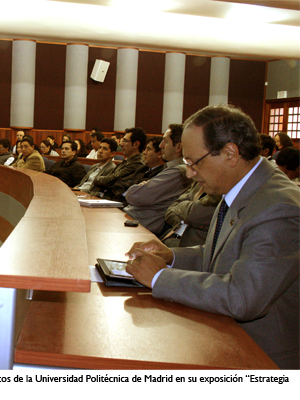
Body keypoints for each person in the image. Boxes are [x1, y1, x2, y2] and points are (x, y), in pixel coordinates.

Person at [125, 104, 300, 369]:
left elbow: (242, 297)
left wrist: (160, 277)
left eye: (193, 162)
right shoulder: (239, 186)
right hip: (225, 336)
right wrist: (170, 256)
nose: (190, 173)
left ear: (230, 153)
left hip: (261, 357)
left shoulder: (279, 207)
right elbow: (222, 254)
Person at [124, 124, 192, 235]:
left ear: (178, 147)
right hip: (134, 220)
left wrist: (143, 186)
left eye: (165, 141)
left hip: (141, 226)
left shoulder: (177, 172)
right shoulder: (171, 169)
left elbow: (134, 195)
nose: (161, 146)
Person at [90, 127, 146, 200]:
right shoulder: (126, 161)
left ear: (135, 144)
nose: (121, 144)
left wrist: (97, 179)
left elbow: (110, 181)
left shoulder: (137, 163)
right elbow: (110, 180)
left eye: (125, 141)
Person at [163, 181, 220, 248]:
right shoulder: (199, 182)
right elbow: (169, 211)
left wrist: (183, 212)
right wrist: (187, 222)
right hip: (172, 236)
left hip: (193, 249)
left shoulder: (222, 190)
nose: (189, 174)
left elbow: (192, 215)